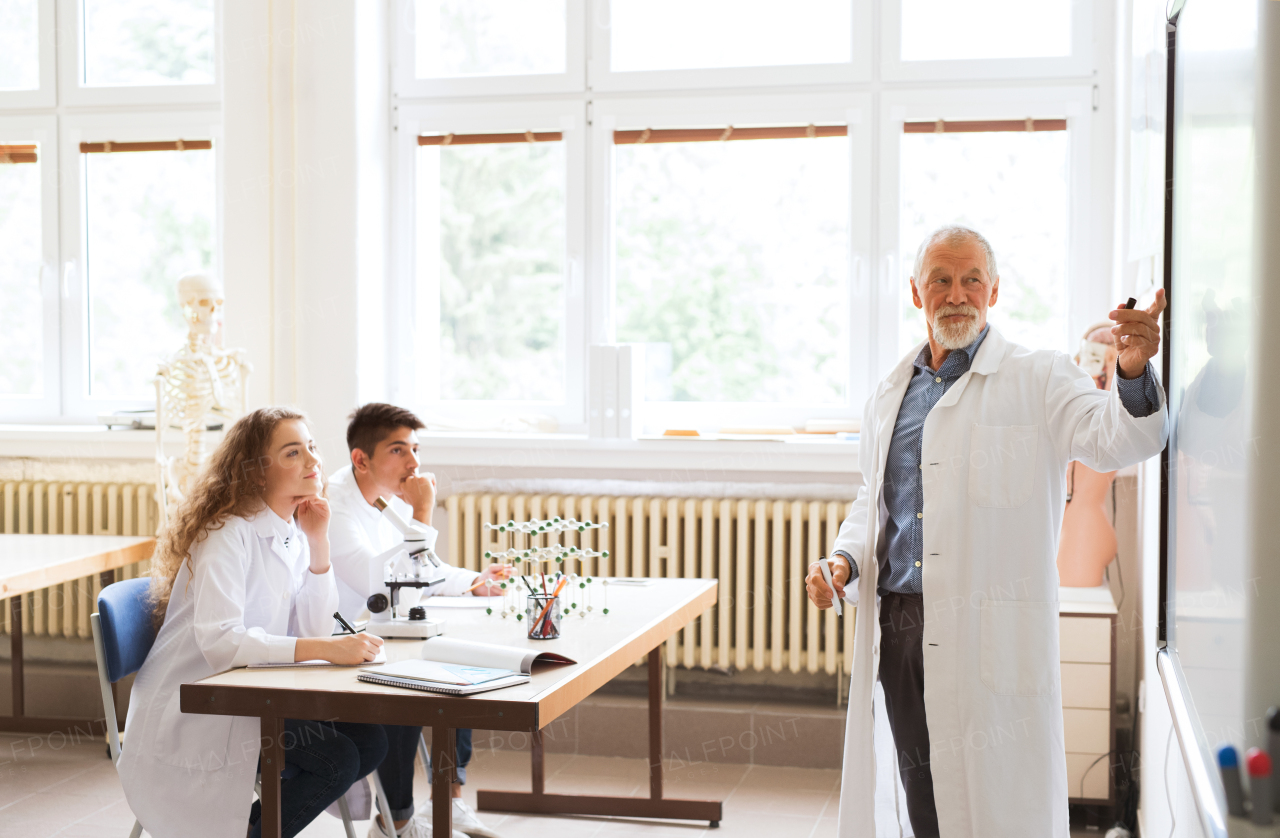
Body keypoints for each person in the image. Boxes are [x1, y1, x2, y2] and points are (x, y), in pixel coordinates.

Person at [806, 226, 1168, 838]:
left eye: (972, 279)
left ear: (994, 290)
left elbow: (1121, 439)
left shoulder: (1040, 377)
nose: (957, 294)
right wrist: (845, 560)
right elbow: (878, 497)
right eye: (940, 280)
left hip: (988, 631)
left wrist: (1131, 369)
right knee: (922, 789)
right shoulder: (892, 394)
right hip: (899, 624)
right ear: (916, 295)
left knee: (1000, 802)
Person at [119, 407, 388, 838]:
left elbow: (314, 629)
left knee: (372, 741)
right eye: (292, 453)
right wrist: (323, 650)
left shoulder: (294, 529)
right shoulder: (227, 534)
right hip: (199, 706)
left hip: (256, 694)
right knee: (337, 759)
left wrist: (319, 544)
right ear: (257, 472)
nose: (313, 461)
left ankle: (255, 829)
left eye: (312, 448)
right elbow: (221, 643)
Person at [328, 403, 506, 838]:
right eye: (398, 450)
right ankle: (397, 823)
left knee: (459, 670)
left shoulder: (389, 496)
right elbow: (383, 584)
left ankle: (449, 800)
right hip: (337, 641)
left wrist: (473, 583)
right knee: (406, 686)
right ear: (361, 459)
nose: (414, 463)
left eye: (416, 449)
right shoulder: (334, 505)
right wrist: (423, 515)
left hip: (385, 632)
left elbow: (424, 570)